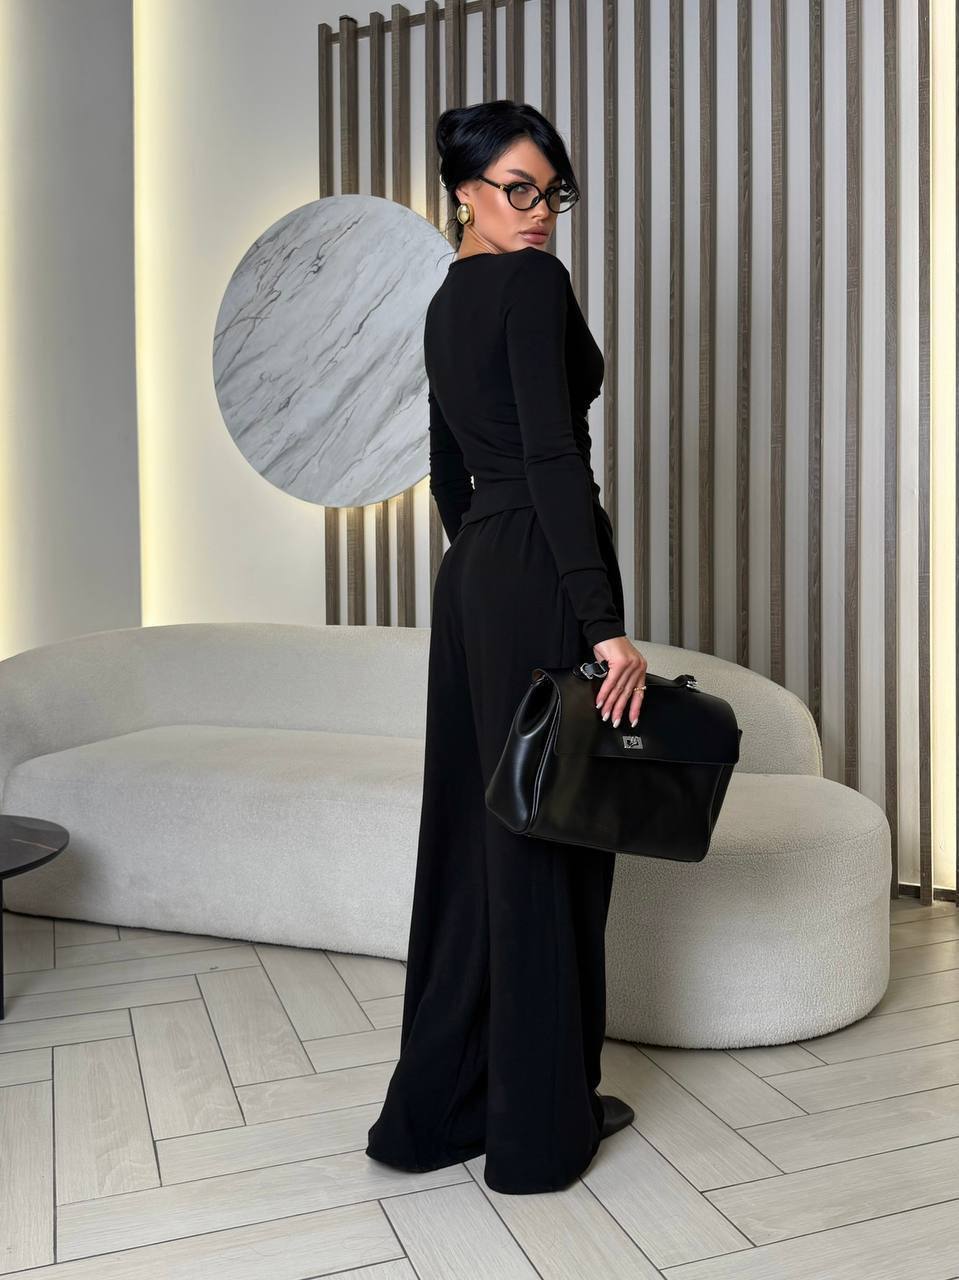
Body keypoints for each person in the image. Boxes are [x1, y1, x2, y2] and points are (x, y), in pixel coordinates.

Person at [365, 100, 648, 1195]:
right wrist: (601, 620)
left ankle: (440, 1111)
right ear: (464, 194)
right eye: (516, 189)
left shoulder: (446, 300)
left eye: (550, 192)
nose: (538, 213)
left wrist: (485, 559)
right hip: (538, 569)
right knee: (555, 833)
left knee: (478, 836)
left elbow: (451, 469)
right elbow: (552, 459)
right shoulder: (530, 284)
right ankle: (540, 1124)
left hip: (478, 577)